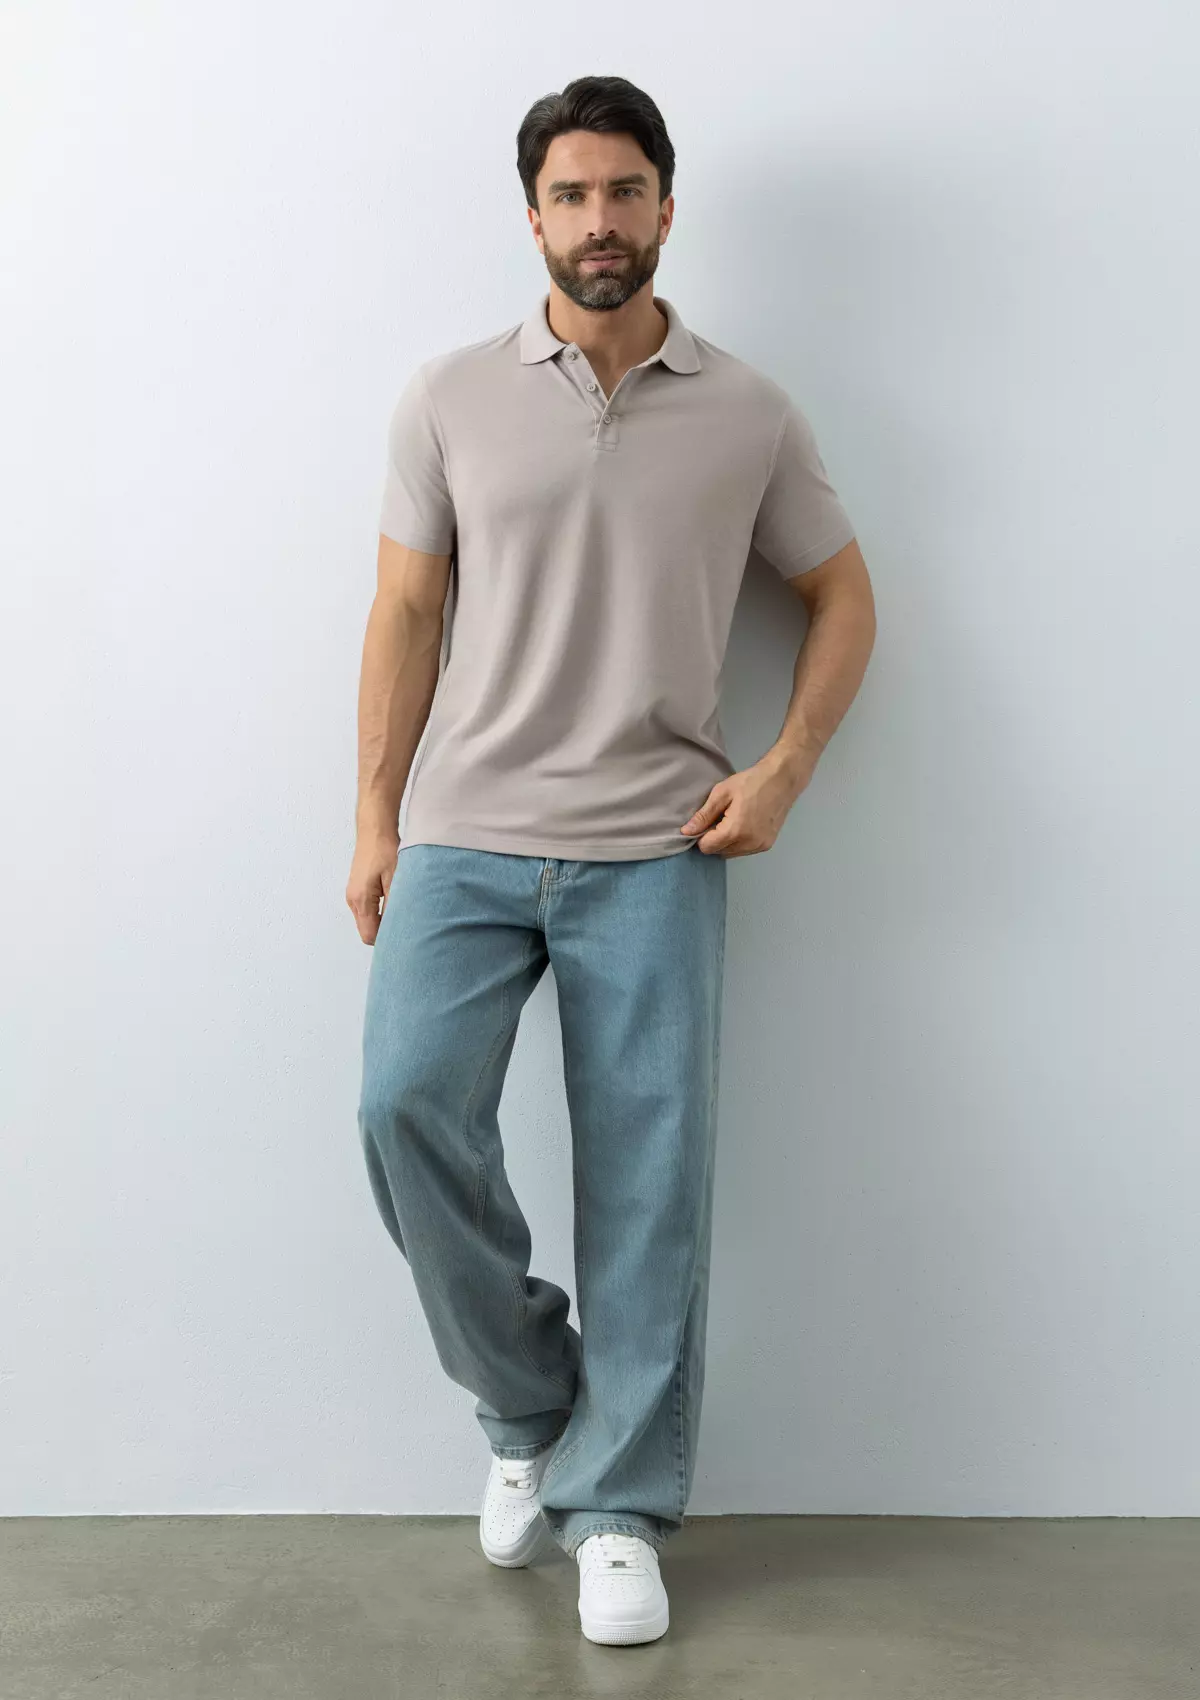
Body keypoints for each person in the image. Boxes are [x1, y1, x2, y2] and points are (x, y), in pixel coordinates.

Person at [347, 74, 876, 1647]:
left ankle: (622, 1506)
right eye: (571, 195)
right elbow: (406, 612)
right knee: (401, 1110)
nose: (599, 220)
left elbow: (844, 596)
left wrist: (785, 769)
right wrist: (374, 817)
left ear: (665, 207)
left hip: (657, 841)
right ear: (533, 217)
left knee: (650, 1181)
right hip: (464, 832)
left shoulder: (750, 410)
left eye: (625, 191)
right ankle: (534, 1408)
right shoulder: (448, 395)